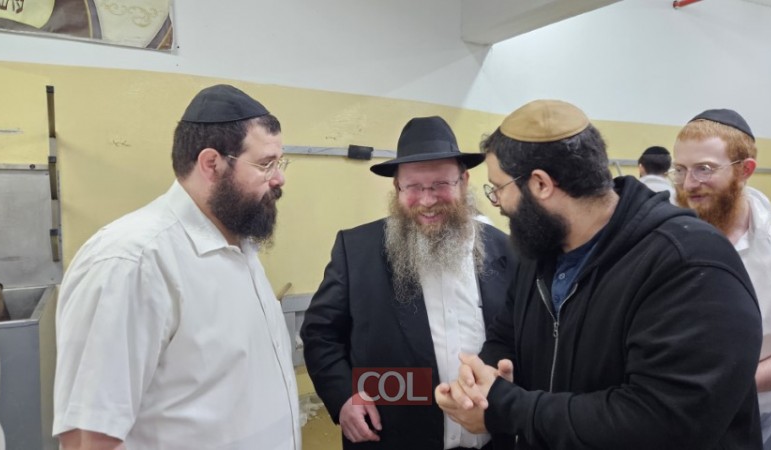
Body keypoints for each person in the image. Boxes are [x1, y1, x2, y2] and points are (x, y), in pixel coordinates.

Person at [435, 99, 764, 449]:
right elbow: (507, 334)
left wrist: (508, 408)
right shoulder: (540, 251)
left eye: (499, 189)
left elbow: (662, 421)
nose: (499, 204)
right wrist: (480, 381)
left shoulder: (688, 262)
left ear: (541, 184)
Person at [52, 85, 300, 450]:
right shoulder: (132, 261)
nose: (279, 179)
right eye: (266, 164)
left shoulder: (239, 246)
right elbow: (88, 437)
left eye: (280, 163)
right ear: (211, 164)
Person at [301, 116, 517, 450]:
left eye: (440, 184)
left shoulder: (508, 251)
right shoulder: (356, 251)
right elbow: (320, 333)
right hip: (393, 438)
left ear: (463, 182)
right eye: (413, 187)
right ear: (397, 188)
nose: (427, 200)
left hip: (491, 438)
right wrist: (344, 396)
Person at [672, 109, 771, 449]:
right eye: (680, 170)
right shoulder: (664, 241)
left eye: (704, 169)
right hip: (681, 421)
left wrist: (731, 387)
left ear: (745, 170)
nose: (689, 184)